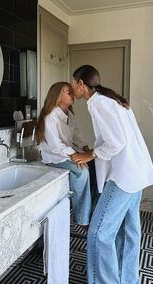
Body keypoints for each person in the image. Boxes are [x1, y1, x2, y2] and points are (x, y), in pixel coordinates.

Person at [71, 65, 153, 284]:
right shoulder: (113, 100)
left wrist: (91, 154)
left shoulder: (99, 103)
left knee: (99, 233)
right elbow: (118, 138)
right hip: (135, 173)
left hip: (123, 177)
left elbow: (117, 142)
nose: (72, 89)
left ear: (81, 84)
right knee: (128, 232)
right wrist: (96, 149)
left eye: (73, 84)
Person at [35, 81, 94, 227]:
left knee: (94, 165)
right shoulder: (50, 116)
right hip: (53, 157)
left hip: (65, 154)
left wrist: (85, 149)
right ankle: (82, 219)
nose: (72, 94)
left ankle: (91, 209)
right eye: (68, 92)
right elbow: (55, 146)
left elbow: (76, 137)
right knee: (82, 171)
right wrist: (76, 156)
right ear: (57, 96)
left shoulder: (70, 115)